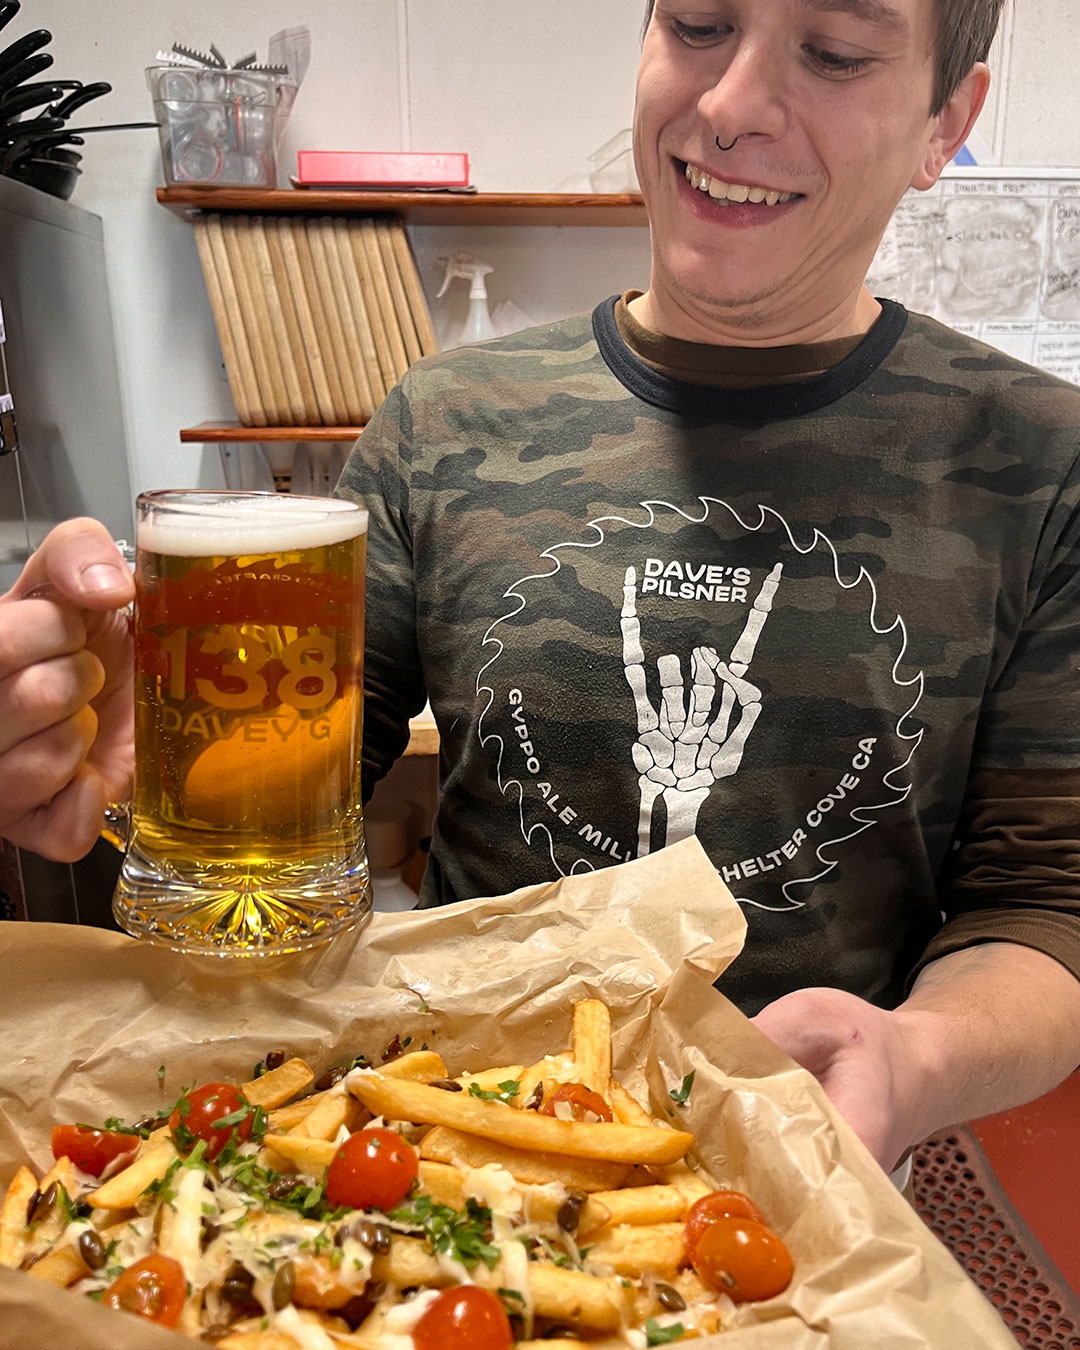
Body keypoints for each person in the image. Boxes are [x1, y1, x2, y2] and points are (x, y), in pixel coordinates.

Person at [2, 0, 1079, 1177]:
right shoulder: (443, 421)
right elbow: (270, 834)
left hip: (826, 1173)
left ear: (945, 123)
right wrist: (121, 761)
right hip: (443, 1156)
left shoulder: (1041, 462)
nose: (727, 107)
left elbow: (1044, 907)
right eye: (702, 24)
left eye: (833, 53)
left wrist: (911, 1059)